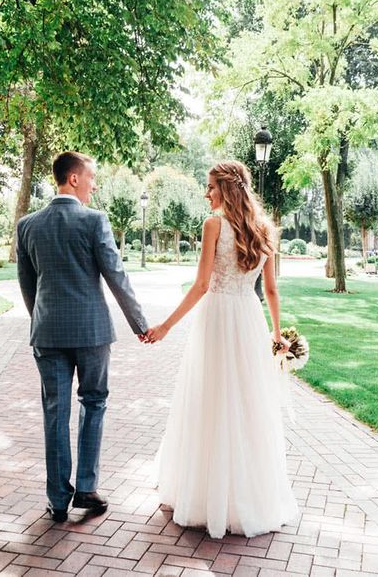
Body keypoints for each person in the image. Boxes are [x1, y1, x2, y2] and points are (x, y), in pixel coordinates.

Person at [146, 160, 299, 539]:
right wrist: (277, 334)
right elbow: (272, 291)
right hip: (248, 319)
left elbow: (200, 286)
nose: (206, 193)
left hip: (216, 319)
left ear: (226, 188)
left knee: (211, 398)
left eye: (210, 186)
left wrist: (165, 326)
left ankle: (207, 494)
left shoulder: (213, 225)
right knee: (247, 402)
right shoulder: (264, 229)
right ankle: (246, 495)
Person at [15, 151, 150, 523]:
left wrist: (42, 320)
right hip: (92, 333)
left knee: (56, 412)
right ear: (73, 179)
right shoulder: (94, 221)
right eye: (91, 177)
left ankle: (58, 500)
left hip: (47, 333)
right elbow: (116, 276)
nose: (94, 184)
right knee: (94, 402)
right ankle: (86, 489)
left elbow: (28, 286)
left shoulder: (27, 225)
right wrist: (140, 324)